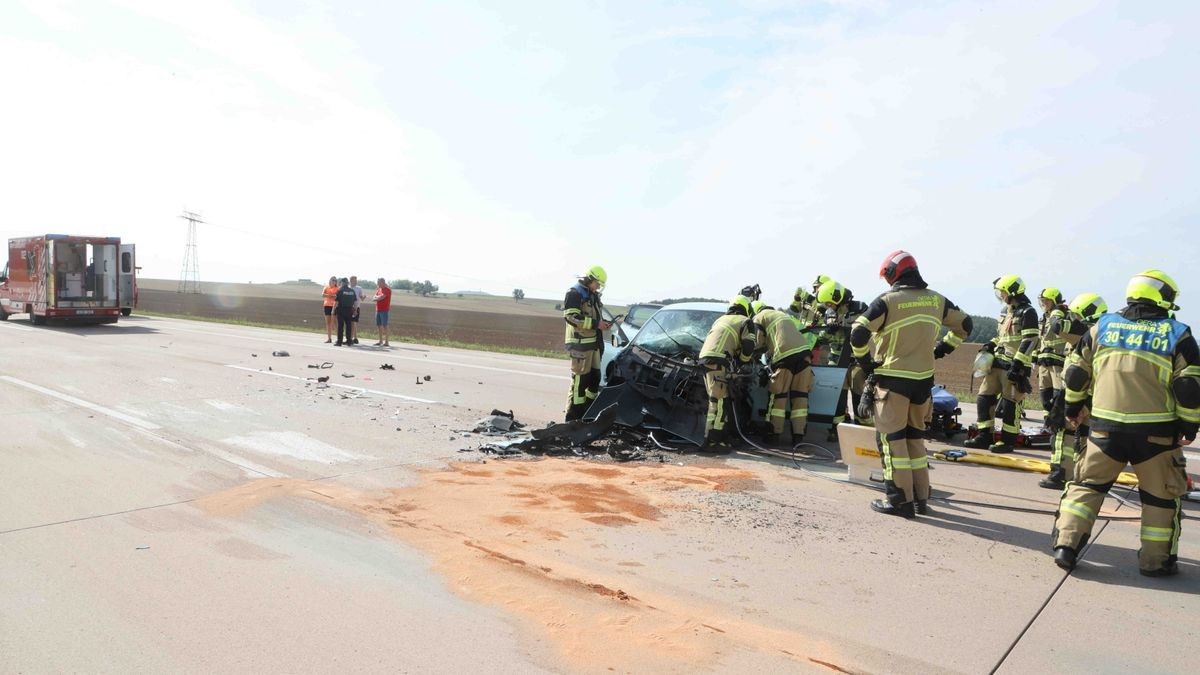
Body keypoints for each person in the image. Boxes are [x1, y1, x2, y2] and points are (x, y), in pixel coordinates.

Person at [1051, 270, 1198, 576]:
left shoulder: (1101, 327)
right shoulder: (1178, 333)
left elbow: (1076, 373)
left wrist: (1073, 406)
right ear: (1164, 298)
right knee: (1160, 500)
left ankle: (1066, 545)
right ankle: (1156, 563)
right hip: (1156, 437)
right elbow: (1189, 388)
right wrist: (1190, 425)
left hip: (1104, 430)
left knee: (1085, 488)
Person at [850, 250, 971, 518]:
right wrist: (941, 349)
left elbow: (858, 331)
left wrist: (865, 363)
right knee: (915, 440)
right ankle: (920, 499)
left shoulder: (888, 301)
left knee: (892, 442)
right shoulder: (937, 300)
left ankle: (898, 501)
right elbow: (966, 325)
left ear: (893, 274)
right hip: (923, 384)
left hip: (892, 381)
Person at [963, 275, 1040, 453]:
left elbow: (1030, 339)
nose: (1000, 295)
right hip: (997, 364)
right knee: (984, 399)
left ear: (1012, 292)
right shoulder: (1006, 311)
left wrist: (1019, 364)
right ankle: (984, 436)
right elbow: (1003, 336)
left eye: (1002, 292)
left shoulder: (1028, 312)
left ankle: (1007, 441)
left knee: (1010, 405)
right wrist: (991, 343)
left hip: (1014, 368)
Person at [1038, 293, 1106, 489]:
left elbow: (1057, 326)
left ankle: (1060, 474)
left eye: (1075, 314)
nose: (1072, 318)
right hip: (1094, 394)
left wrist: (1058, 310)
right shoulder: (1104, 332)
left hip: (1075, 391)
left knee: (1061, 432)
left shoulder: (1084, 329)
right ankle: (1083, 474)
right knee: (1085, 435)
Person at [751, 300, 816, 446]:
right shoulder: (783, 315)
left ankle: (773, 436)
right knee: (800, 398)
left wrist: (753, 355)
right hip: (805, 356)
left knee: (778, 397)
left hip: (784, 357)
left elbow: (758, 341)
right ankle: (798, 439)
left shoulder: (759, 317)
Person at [816, 280, 872, 439]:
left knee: (859, 395)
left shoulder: (861, 308)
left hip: (857, 360)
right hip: (836, 360)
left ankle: (864, 431)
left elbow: (868, 329)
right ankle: (836, 429)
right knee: (837, 398)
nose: (827, 307)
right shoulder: (829, 313)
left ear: (836, 298)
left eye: (829, 303)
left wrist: (843, 323)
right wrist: (829, 329)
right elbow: (823, 337)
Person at [699, 296, 756, 447]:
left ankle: (716, 437)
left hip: (705, 359)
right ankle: (713, 441)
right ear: (747, 309)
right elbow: (749, 344)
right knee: (719, 403)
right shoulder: (746, 321)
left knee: (716, 400)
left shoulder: (721, 319)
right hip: (718, 361)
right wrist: (744, 360)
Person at [563, 266, 611, 421]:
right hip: (580, 345)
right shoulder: (574, 293)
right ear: (590, 279)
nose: (598, 287)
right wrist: (596, 324)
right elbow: (571, 317)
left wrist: (601, 324)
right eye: (597, 283)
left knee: (594, 379)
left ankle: (588, 415)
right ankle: (573, 418)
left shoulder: (593, 295)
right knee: (580, 382)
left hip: (593, 343)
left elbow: (594, 316)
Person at [1035, 287, 1069, 418]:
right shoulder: (1044, 318)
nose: (1043, 304)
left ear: (1054, 301)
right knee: (1045, 395)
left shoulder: (1064, 315)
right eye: (1041, 301)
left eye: (1046, 301)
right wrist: (1035, 357)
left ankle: (1057, 422)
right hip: (1044, 363)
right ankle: (1047, 421)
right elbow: (1041, 339)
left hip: (1058, 364)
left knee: (1058, 395)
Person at [333, 278, 357, 346]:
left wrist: (333, 310)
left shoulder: (340, 290)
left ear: (342, 283)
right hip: (349, 310)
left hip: (341, 310)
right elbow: (355, 302)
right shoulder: (352, 291)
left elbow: (336, 301)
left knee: (340, 326)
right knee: (348, 326)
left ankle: (339, 342)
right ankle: (349, 341)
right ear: (347, 283)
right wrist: (355, 310)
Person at [372, 277, 392, 346]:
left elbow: (381, 297)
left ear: (383, 282)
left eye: (379, 283)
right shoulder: (379, 289)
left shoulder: (387, 290)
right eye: (378, 283)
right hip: (378, 310)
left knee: (385, 325)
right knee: (379, 325)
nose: (378, 284)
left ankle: (386, 342)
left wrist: (377, 298)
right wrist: (377, 298)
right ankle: (380, 341)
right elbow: (374, 297)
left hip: (384, 310)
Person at [322, 276, 338, 343]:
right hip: (326, 305)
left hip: (334, 306)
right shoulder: (326, 287)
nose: (333, 281)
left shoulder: (337, 288)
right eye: (332, 280)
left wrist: (329, 295)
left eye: (334, 280)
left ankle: (338, 338)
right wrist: (331, 296)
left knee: (334, 323)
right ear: (330, 280)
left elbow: (337, 296)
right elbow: (323, 294)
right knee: (328, 323)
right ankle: (329, 338)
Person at [349, 275, 365, 345]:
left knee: (353, 322)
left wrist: (363, 297)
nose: (356, 282)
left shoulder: (359, 288)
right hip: (348, 308)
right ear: (351, 281)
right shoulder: (348, 288)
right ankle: (355, 338)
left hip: (356, 307)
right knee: (352, 323)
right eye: (354, 280)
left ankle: (351, 338)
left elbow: (361, 298)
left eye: (356, 280)